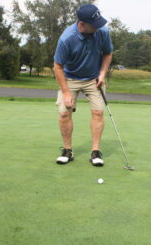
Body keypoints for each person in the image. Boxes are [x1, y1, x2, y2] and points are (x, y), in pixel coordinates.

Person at [53, 3, 113, 167]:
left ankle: (95, 151)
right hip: (70, 79)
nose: (99, 27)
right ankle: (67, 150)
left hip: (94, 79)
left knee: (98, 112)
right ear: (81, 24)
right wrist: (66, 93)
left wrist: (102, 74)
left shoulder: (102, 32)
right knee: (64, 113)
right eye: (94, 25)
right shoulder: (67, 38)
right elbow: (57, 66)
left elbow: (108, 53)